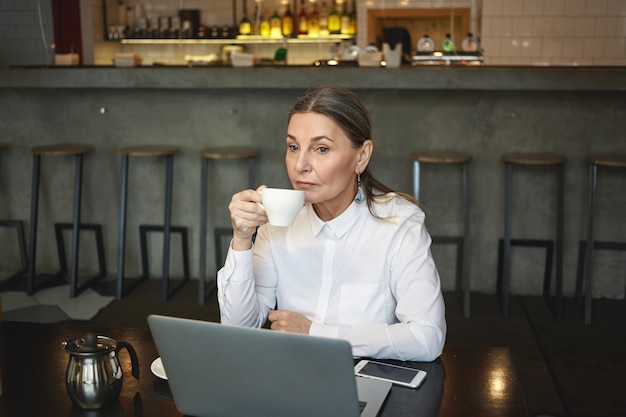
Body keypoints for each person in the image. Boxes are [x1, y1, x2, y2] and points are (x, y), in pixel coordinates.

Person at [217, 86, 446, 362]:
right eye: (293, 147)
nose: (300, 164)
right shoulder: (277, 224)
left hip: (365, 382)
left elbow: (426, 338)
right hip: (292, 380)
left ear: (361, 156)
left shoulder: (399, 225)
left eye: (321, 149)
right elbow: (238, 330)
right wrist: (242, 240)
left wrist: (316, 332)